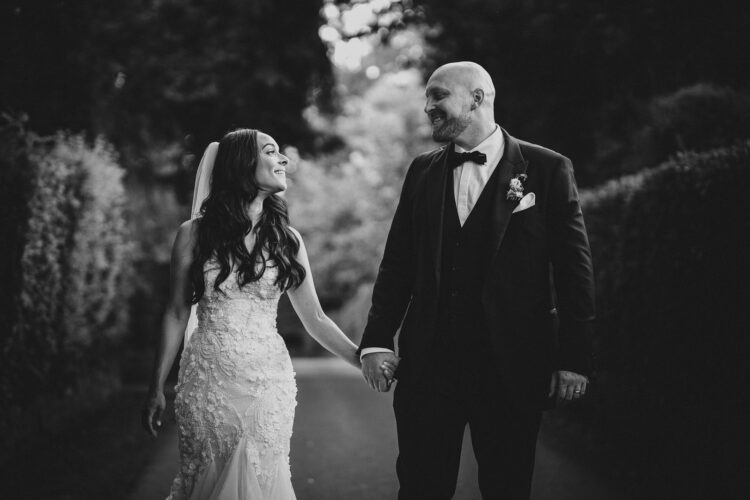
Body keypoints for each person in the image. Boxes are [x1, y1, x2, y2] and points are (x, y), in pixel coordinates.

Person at [358, 62, 595, 499]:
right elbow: (398, 264)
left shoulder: (547, 169)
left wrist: (574, 356)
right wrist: (375, 341)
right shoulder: (421, 171)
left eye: (438, 95)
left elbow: (574, 270)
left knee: (507, 486)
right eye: (428, 98)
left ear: (477, 99)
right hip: (429, 365)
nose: (428, 107)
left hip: (511, 364)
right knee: (420, 486)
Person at [141, 128, 394, 500]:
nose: (284, 160)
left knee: (261, 479)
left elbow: (316, 319)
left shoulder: (287, 239)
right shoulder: (192, 235)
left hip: (268, 384)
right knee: (207, 479)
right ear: (243, 164)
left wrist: (362, 358)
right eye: (272, 152)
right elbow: (177, 312)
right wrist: (156, 386)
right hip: (208, 381)